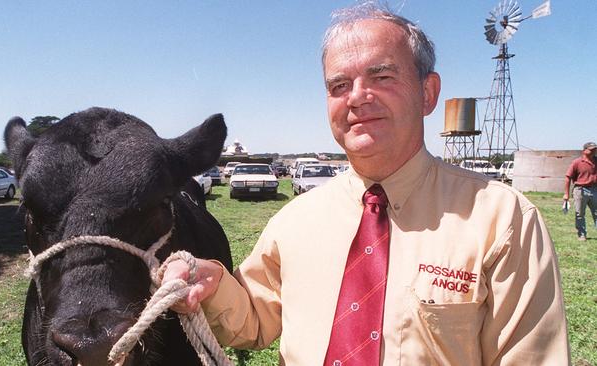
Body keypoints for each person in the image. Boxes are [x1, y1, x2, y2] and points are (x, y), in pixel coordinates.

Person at [164, 2, 570, 365]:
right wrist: (213, 285)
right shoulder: (295, 221)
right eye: (339, 85)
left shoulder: (503, 219)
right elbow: (254, 320)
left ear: (428, 93)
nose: (357, 97)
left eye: (382, 76)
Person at [564, 142, 597, 241]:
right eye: (591, 149)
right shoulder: (577, 162)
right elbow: (567, 178)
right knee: (580, 214)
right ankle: (582, 234)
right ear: (584, 151)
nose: (594, 151)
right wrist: (566, 194)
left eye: (595, 149)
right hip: (580, 190)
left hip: (595, 189)